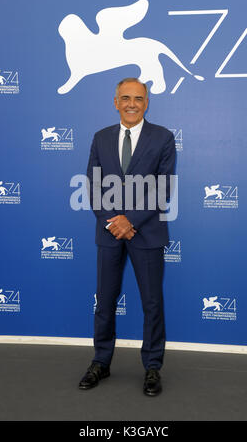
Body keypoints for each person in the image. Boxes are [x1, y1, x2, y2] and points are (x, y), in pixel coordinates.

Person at [79, 77, 176, 396]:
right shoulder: (101, 137)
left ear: (147, 102)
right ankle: (101, 362)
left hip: (146, 232)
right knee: (104, 301)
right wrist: (113, 222)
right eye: (125, 98)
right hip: (109, 233)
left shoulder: (162, 138)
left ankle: (152, 367)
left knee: (152, 302)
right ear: (116, 102)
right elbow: (93, 187)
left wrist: (129, 220)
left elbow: (163, 187)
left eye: (138, 98)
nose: (131, 103)